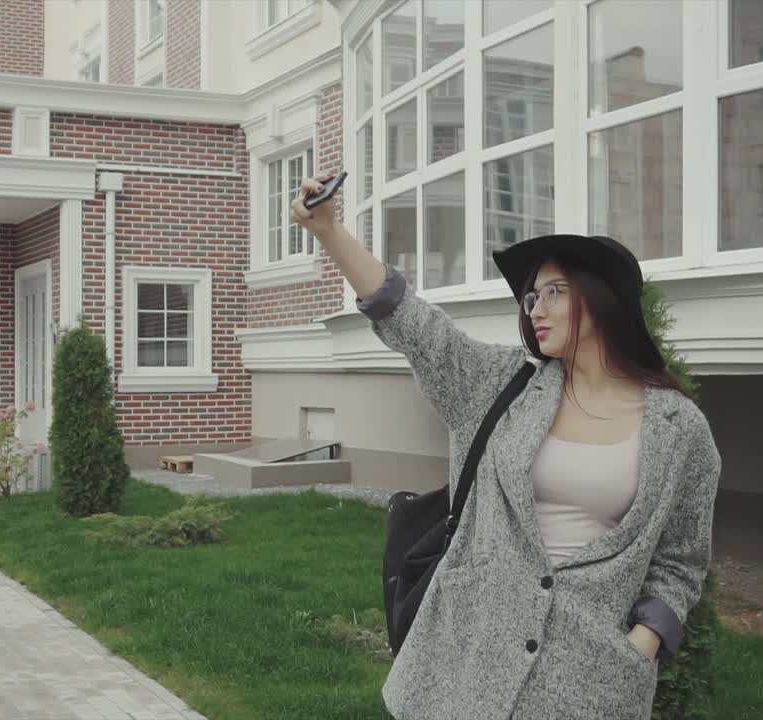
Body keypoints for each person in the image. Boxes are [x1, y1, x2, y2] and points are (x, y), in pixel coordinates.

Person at [291, 173, 721, 720]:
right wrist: (330, 231)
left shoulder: (679, 428)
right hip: (466, 667)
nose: (535, 308)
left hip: (589, 684)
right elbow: (413, 323)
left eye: (555, 293)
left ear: (603, 298)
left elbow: (681, 558)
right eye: (531, 296)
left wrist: (643, 641)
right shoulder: (498, 386)